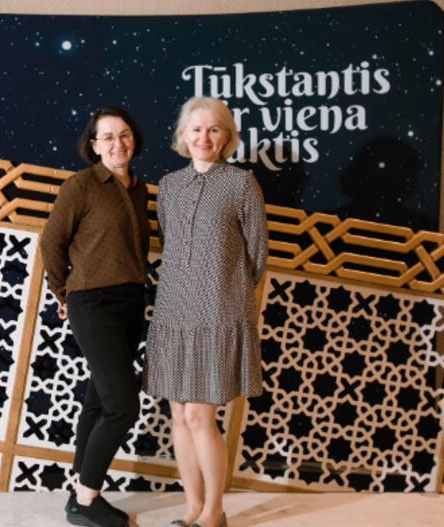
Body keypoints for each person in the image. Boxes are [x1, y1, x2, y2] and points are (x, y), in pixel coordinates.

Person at [144, 96, 268, 527]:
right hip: (173, 310)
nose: (204, 137)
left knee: (200, 415)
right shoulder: (169, 185)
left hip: (217, 312)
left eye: (214, 129)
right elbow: (169, 241)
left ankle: (215, 511)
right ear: (183, 135)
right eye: (196, 129)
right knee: (178, 414)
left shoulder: (241, 183)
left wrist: (226, 293)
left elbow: (257, 251)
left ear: (227, 136)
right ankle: (192, 507)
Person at [40, 106, 149, 527]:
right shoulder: (81, 185)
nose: (117, 143)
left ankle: (78, 491)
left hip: (130, 303)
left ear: (133, 139)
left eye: (124, 135)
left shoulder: (140, 190)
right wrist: (62, 291)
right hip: (93, 303)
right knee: (122, 405)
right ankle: (87, 499)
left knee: (100, 400)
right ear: (94, 145)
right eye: (107, 137)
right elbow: (51, 242)